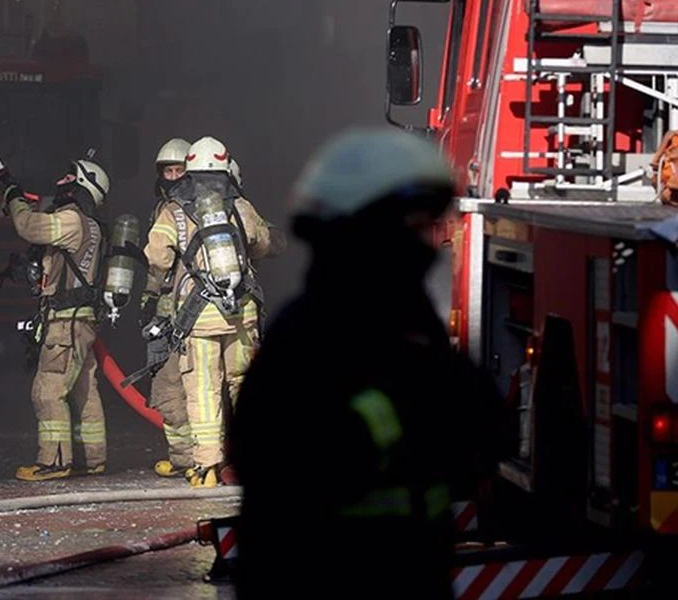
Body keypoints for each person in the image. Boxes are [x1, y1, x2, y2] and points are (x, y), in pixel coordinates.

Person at [228, 127, 510, 599]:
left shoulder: (403, 324)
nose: (426, 244)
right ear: (369, 233)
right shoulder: (311, 343)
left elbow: (481, 428)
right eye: (413, 227)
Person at [143, 136, 271, 488]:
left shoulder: (173, 211)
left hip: (199, 317)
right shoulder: (241, 206)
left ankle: (207, 467)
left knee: (203, 388)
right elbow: (262, 245)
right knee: (242, 384)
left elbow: (157, 256)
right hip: (241, 313)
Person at [1, 158, 110, 480]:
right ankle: (92, 458)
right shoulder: (91, 225)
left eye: (69, 177)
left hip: (65, 321)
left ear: (82, 185)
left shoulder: (72, 221)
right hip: (81, 320)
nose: (61, 180)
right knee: (84, 391)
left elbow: (28, 227)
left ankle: (54, 461)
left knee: (48, 390)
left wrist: (13, 199)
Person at [139, 138, 196, 479]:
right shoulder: (208, 206)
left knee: (170, 387)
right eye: (168, 171)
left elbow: (158, 259)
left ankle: (187, 458)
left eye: (179, 170)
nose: (173, 177)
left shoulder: (175, 211)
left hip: (185, 311)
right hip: (184, 310)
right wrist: (148, 298)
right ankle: (202, 456)